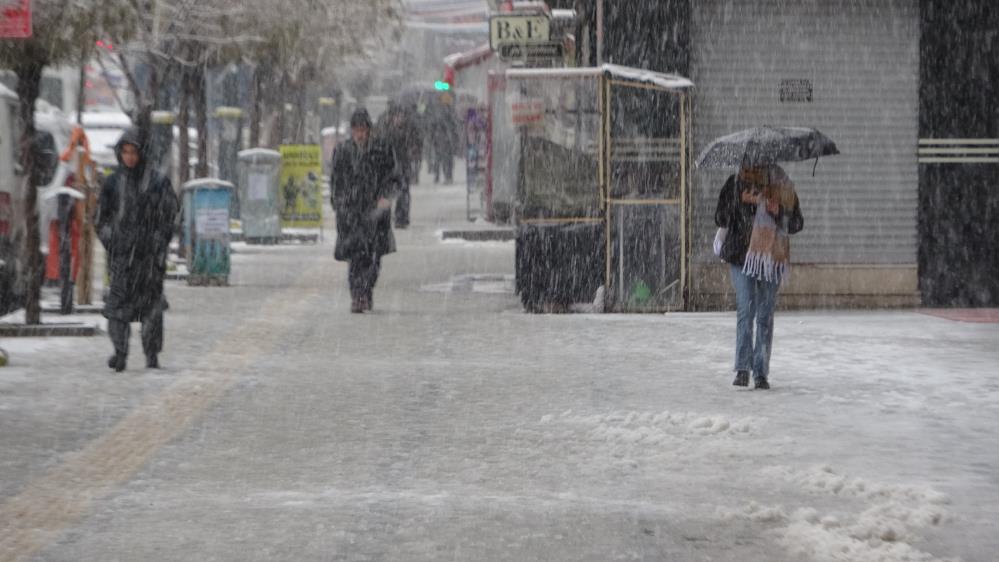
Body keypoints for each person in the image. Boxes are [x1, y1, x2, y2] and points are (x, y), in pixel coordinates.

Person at [96, 127, 179, 372]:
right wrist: (114, 241)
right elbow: (101, 219)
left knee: (152, 309)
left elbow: (170, 215)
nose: (130, 157)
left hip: (149, 259)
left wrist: (157, 241)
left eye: (134, 152)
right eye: (126, 152)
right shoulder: (112, 183)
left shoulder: (157, 182)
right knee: (118, 309)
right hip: (122, 258)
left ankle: (151, 355)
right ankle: (120, 353)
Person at [714, 163, 803, 389]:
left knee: (764, 315)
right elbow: (720, 218)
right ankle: (742, 369)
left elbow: (796, 223)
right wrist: (740, 201)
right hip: (741, 256)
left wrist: (777, 212)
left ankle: (760, 372)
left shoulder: (783, 187)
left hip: (771, 260)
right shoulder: (735, 185)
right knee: (746, 310)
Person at [331, 108, 397, 313]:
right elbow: (336, 182)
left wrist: (386, 198)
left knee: (374, 258)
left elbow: (394, 177)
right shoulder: (342, 151)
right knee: (356, 257)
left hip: (375, 213)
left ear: (369, 130)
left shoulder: (381, 150)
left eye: (363, 129)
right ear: (351, 131)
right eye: (356, 130)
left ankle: (366, 292)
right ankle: (358, 296)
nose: (360, 134)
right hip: (352, 213)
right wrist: (340, 203)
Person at [377, 103, 421, 228]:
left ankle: (402, 218)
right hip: (390, 165)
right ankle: (390, 217)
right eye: (397, 116)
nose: (399, 119)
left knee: (403, 191)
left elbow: (414, 143)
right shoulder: (387, 129)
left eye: (401, 116)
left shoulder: (407, 129)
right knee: (389, 192)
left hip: (403, 164)